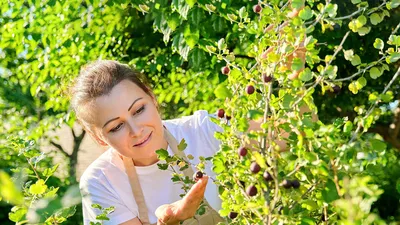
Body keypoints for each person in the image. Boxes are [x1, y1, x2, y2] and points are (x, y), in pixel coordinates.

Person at [71, 60, 227, 225]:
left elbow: (256, 123)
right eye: (116, 127)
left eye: (139, 110)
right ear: (98, 138)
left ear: (152, 98)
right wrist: (169, 221)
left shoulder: (203, 130)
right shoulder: (101, 182)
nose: (136, 131)